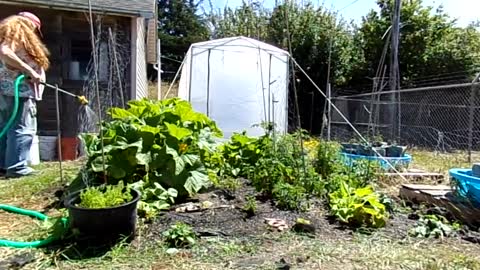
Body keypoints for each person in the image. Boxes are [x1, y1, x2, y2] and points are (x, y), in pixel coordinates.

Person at [0, 12, 49, 178]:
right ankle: (17, 168)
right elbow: (5, 52)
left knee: (6, 128)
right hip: (17, 91)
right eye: (35, 29)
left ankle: (3, 166)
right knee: (22, 128)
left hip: (6, 91)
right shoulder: (18, 31)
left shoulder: (7, 33)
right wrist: (28, 70)